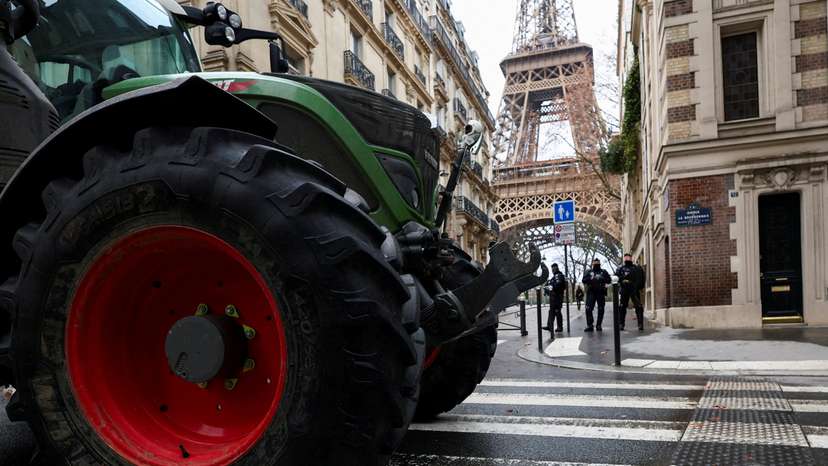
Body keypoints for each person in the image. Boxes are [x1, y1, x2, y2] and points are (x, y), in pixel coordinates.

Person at [616, 253, 646, 331]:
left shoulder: (636, 268)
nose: (627, 258)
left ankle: (640, 324)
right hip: (624, 290)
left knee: (638, 307)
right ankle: (621, 324)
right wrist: (622, 282)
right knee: (622, 307)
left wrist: (639, 287)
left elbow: (642, 278)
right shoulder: (620, 269)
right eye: (625, 257)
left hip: (634, 290)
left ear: (631, 258)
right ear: (624, 259)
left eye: (628, 257)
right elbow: (616, 278)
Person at [581, 258, 611, 332]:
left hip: (600, 292)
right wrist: (591, 278)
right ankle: (590, 325)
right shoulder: (589, 271)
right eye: (595, 262)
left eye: (597, 262)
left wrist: (602, 278)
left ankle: (599, 325)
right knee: (588, 309)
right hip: (591, 292)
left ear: (599, 263)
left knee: (601, 309)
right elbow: (584, 280)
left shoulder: (603, 272)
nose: (596, 263)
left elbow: (609, 280)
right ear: (592, 263)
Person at [543, 263, 567, 334]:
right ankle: (550, 326)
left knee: (557, 311)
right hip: (554, 297)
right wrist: (548, 288)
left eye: (554, 268)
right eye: (552, 268)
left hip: (557, 297)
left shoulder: (558, 276)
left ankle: (559, 327)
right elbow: (548, 286)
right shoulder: (554, 277)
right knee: (551, 312)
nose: (553, 270)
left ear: (556, 268)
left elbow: (557, 286)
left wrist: (549, 288)